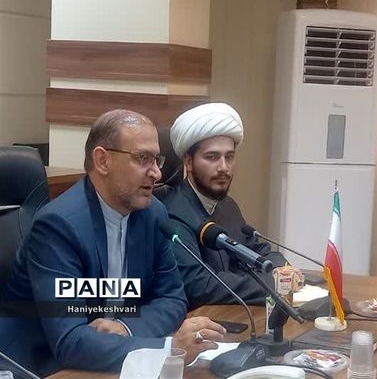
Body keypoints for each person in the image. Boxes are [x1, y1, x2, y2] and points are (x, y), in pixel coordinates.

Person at [0, 110, 225, 376]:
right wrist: (168, 349)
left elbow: (173, 299)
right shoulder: (58, 226)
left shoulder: (153, 214)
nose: (156, 172)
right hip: (45, 367)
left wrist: (125, 327)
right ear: (103, 160)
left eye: (157, 160)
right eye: (143, 159)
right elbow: (70, 341)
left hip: (112, 359)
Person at [164, 103, 287, 308]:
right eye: (212, 157)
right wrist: (273, 284)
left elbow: (258, 250)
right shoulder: (173, 214)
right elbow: (199, 285)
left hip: (237, 315)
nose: (223, 167)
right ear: (189, 162)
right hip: (201, 321)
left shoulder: (228, 206)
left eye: (229, 157)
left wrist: (283, 270)